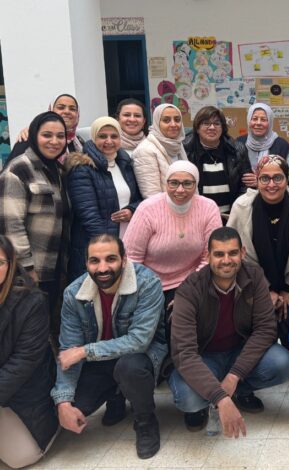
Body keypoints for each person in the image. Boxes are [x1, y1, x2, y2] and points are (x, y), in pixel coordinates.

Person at [168, 227, 289, 435]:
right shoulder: (190, 289)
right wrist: (221, 398)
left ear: (242, 253)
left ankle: (238, 391)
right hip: (204, 357)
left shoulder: (254, 276)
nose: (226, 260)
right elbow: (184, 353)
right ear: (207, 256)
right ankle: (210, 400)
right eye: (219, 254)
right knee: (188, 399)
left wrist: (235, 375)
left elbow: (265, 330)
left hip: (238, 351)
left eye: (233, 253)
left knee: (281, 363)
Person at [52, 234, 166, 459]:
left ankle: (145, 420)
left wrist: (85, 351)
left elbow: (139, 341)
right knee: (74, 406)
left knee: (129, 368)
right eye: (94, 261)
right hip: (100, 360)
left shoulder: (147, 283)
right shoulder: (73, 294)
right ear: (86, 263)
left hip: (140, 357)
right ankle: (116, 395)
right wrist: (63, 401)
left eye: (111, 259)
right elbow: (68, 351)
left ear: (124, 259)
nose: (102, 268)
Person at [227, 155, 289, 350]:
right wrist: (265, 289)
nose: (271, 184)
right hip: (254, 284)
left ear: (287, 180)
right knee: (258, 345)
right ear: (257, 180)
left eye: (278, 178)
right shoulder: (242, 207)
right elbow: (237, 256)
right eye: (265, 178)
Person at [0, 111, 69, 332]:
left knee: (46, 325)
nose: (54, 141)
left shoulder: (56, 169)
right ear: (33, 136)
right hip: (30, 272)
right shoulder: (18, 170)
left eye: (60, 136)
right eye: (47, 135)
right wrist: (27, 269)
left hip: (54, 267)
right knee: (28, 330)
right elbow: (11, 226)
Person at [124, 160, 222, 311]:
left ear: (196, 184)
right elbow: (132, 258)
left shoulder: (208, 208)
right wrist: (149, 290)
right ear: (166, 183)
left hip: (193, 280)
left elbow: (209, 255)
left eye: (187, 183)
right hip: (149, 283)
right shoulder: (147, 209)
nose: (180, 190)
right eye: (174, 183)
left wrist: (189, 289)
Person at [0, 236, 58, 469]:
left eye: (0, 262)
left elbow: (23, 362)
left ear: (11, 264)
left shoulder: (31, 301)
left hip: (24, 394)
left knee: (20, 458)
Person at [66, 117, 142, 281]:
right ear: (93, 138)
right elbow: (88, 215)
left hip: (126, 239)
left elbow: (138, 199)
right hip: (97, 246)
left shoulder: (125, 163)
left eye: (114, 136)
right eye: (102, 136)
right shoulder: (83, 168)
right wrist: (110, 248)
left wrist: (132, 209)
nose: (109, 141)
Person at [183, 106, 254, 217]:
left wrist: (236, 211)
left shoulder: (237, 149)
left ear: (222, 128)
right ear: (197, 128)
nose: (212, 127)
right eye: (206, 123)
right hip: (197, 216)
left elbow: (246, 186)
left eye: (216, 123)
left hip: (231, 216)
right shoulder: (186, 150)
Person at [133, 103, 187, 199]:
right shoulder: (145, 150)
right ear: (157, 123)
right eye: (166, 120)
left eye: (177, 120)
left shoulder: (177, 144)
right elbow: (152, 196)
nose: (173, 124)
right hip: (164, 207)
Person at [8, 94, 84, 160]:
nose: (67, 111)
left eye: (72, 109)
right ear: (51, 110)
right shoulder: (29, 139)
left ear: (78, 114)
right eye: (61, 107)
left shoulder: (80, 142)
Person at [237, 103, 289, 168]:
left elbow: (286, 171)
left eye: (263, 119)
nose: (258, 123)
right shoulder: (239, 143)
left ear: (270, 122)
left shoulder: (282, 145)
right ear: (249, 121)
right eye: (255, 119)